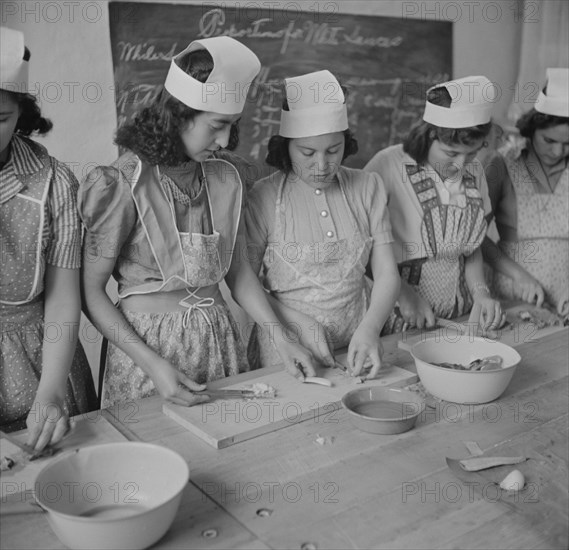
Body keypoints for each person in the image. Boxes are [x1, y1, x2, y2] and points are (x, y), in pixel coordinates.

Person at [79, 37, 317, 409]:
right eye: (216, 125)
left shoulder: (227, 178)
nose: (224, 140)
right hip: (147, 354)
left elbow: (237, 272)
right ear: (178, 115)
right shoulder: (123, 183)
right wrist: (153, 364)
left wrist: (281, 337)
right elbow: (91, 293)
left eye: (232, 126)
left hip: (218, 343)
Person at [245, 70, 400, 379]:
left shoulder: (367, 186)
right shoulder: (263, 196)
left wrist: (370, 328)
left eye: (333, 150)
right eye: (307, 152)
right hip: (288, 346)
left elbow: (386, 272)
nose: (322, 165)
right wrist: (297, 324)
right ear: (286, 146)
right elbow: (243, 280)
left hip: (359, 339)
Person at [0, 28, 97, 446]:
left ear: (20, 113)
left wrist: (52, 391)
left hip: (46, 359)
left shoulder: (54, 180)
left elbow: (62, 296)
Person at [365, 76, 506, 334]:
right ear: (429, 134)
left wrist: (482, 293)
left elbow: (471, 248)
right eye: (451, 153)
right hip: (400, 312)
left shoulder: (474, 172)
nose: (462, 165)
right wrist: (404, 295)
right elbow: (362, 248)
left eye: (472, 153)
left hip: (459, 311)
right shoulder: (387, 166)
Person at [483, 68, 569, 315]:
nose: (557, 152)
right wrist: (519, 276)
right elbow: (474, 237)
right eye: (550, 141)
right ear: (532, 129)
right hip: (514, 290)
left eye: (568, 144)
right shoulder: (503, 164)